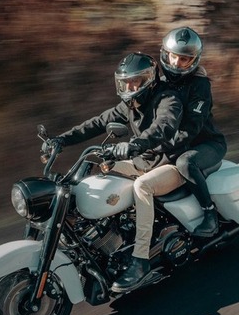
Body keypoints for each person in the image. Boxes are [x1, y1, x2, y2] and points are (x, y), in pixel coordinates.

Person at [46, 52, 191, 293]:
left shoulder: (168, 98)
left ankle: (141, 259)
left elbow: (163, 127)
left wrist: (135, 145)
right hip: (144, 162)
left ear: (149, 79)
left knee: (141, 187)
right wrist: (61, 140)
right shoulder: (129, 105)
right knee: (97, 169)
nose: (130, 87)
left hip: (171, 163)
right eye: (126, 82)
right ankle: (106, 237)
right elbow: (97, 122)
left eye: (135, 81)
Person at [159, 26, 227, 237]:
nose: (176, 63)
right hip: (178, 146)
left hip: (207, 145)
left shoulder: (200, 85)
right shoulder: (160, 84)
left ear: (194, 60)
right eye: (173, 57)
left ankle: (210, 216)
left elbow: (191, 129)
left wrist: (161, 147)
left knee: (185, 163)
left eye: (184, 59)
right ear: (165, 54)